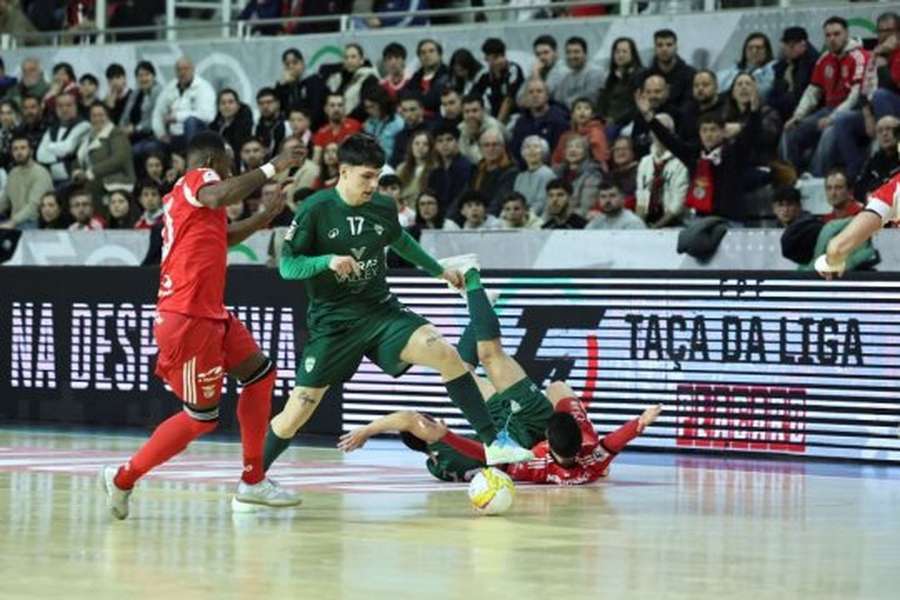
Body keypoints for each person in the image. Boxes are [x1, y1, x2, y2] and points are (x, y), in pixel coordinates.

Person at [264, 134, 533, 475]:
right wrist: (326, 261)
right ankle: (252, 480)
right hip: (333, 324)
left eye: (377, 176)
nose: (374, 184)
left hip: (380, 312)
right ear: (344, 172)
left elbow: (398, 240)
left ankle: (495, 442)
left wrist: (439, 271)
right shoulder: (315, 209)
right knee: (294, 416)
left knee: (446, 354)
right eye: (366, 176)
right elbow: (288, 266)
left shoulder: (383, 206)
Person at [100, 131, 305, 520]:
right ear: (213, 160)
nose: (228, 175)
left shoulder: (193, 202)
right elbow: (217, 193)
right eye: (228, 165)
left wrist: (263, 217)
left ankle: (253, 480)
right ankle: (123, 477)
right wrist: (274, 165)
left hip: (210, 313)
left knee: (260, 375)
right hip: (188, 317)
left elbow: (223, 237)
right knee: (201, 417)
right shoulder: (198, 179)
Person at [636, 89, 761, 224]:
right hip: (699, 219)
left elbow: (750, 136)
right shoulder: (693, 154)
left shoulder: (735, 153)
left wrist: (754, 112)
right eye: (704, 130)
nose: (709, 134)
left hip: (730, 219)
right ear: (699, 133)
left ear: (724, 132)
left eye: (713, 129)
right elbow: (669, 140)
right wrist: (649, 116)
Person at [780, 17, 870, 177]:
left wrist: (834, 117)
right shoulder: (824, 59)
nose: (832, 39)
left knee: (830, 131)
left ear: (847, 34)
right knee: (791, 131)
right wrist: (797, 116)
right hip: (828, 109)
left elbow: (855, 96)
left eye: (837, 34)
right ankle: (793, 178)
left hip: (854, 112)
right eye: (828, 35)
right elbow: (813, 91)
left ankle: (815, 177)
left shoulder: (859, 57)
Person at [72, 102, 135, 202]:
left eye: (101, 115)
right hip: (92, 180)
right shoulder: (88, 136)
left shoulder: (116, 134)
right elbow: (78, 157)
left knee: (89, 191)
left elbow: (119, 159)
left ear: (108, 116)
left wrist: (91, 172)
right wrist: (77, 171)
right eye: (94, 116)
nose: (97, 119)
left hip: (114, 181)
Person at [635, 113, 688, 228]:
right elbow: (641, 198)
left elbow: (678, 205)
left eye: (664, 129)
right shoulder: (645, 162)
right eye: (655, 129)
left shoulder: (681, 161)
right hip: (648, 221)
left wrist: (656, 228)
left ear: (672, 133)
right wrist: (640, 227)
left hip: (675, 223)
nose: (659, 134)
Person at [151, 57, 216, 150]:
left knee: (191, 122)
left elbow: (208, 115)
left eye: (185, 69)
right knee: (145, 148)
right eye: (179, 69)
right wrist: (161, 134)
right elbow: (158, 112)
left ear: (193, 70)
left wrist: (177, 117)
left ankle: (193, 159)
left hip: (197, 134)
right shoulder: (170, 87)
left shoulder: (203, 87)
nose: (182, 72)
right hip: (174, 135)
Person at [509, 78, 569, 170]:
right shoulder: (520, 122)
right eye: (531, 92)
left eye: (539, 91)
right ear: (525, 97)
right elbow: (516, 151)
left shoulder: (559, 120)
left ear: (547, 96)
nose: (535, 95)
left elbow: (561, 153)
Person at [35, 92, 90, 186]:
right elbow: (40, 155)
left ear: (76, 106)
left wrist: (48, 147)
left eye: (68, 105)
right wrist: (60, 155)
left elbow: (67, 148)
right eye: (60, 106)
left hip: (75, 180)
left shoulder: (84, 125)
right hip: (52, 180)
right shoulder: (52, 128)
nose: (64, 109)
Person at [0, 134, 53, 229]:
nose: (19, 152)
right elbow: (4, 201)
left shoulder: (40, 173)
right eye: (15, 149)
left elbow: (33, 206)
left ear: (31, 151)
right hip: (15, 221)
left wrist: (13, 222)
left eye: (23, 148)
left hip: (33, 221)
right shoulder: (13, 173)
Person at [769, 27, 819, 124]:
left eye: (791, 46)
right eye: (785, 45)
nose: (787, 49)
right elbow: (773, 94)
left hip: (804, 112)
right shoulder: (783, 65)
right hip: (783, 109)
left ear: (803, 44)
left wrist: (789, 86)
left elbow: (798, 96)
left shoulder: (812, 65)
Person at [463, 128, 518, 217]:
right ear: (480, 149)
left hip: (492, 220)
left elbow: (499, 202)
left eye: (495, 145)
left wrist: (481, 218)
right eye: (486, 145)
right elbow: (464, 197)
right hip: (473, 217)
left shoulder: (511, 171)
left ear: (503, 147)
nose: (491, 149)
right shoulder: (476, 170)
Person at [599, 37, 643, 141]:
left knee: (609, 132)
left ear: (632, 54)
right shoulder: (611, 77)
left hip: (627, 121)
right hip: (608, 120)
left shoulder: (639, 75)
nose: (620, 55)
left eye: (624, 51)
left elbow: (635, 106)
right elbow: (603, 101)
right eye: (617, 51)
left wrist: (615, 119)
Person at [471, 38, 525, 124]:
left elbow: (508, 100)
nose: (500, 60)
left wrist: (497, 125)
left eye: (502, 56)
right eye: (494, 58)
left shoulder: (513, 70)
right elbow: (472, 97)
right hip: (493, 117)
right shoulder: (484, 74)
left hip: (515, 116)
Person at [643, 29, 696, 113]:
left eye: (669, 45)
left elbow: (690, 105)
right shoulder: (644, 75)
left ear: (676, 47)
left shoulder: (690, 74)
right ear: (654, 48)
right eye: (660, 45)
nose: (664, 49)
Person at [324, 43, 380, 122]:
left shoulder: (370, 78)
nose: (349, 60)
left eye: (353, 57)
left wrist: (347, 121)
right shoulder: (340, 79)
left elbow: (365, 106)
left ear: (361, 60)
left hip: (359, 124)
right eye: (346, 58)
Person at [275, 48, 327, 130]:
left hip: (314, 128)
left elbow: (316, 110)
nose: (291, 67)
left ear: (302, 64)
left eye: (295, 62)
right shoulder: (283, 85)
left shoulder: (314, 81)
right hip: (291, 129)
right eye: (287, 64)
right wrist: (282, 87)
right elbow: (279, 109)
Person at [426, 123, 473, 213]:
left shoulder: (466, 167)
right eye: (440, 141)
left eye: (449, 139)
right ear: (435, 146)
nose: (445, 144)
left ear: (457, 142)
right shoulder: (435, 173)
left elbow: (462, 197)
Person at [119, 61, 163, 158]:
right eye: (140, 75)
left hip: (151, 136)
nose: (143, 78)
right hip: (132, 137)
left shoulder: (159, 93)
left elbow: (154, 120)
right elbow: (125, 115)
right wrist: (123, 128)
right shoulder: (135, 94)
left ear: (153, 76)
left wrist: (135, 128)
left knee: (132, 152)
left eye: (147, 75)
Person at [553, 135, 604, 218]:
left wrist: (561, 218)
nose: (573, 150)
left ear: (586, 152)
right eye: (569, 147)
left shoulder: (593, 175)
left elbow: (585, 209)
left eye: (578, 147)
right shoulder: (557, 172)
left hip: (577, 222)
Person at [552, 97, 609, 168]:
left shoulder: (596, 133)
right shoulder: (565, 136)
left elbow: (601, 160)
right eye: (578, 108)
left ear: (592, 115)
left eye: (586, 108)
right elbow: (556, 160)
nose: (582, 111)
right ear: (572, 114)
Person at [717, 32, 776, 99]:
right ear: (744, 51)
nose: (754, 51)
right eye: (750, 48)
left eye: (759, 48)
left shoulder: (774, 69)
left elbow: (764, 91)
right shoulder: (732, 71)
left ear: (767, 51)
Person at [517, 35, 568, 110]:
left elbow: (541, 99)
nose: (542, 57)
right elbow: (519, 100)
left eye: (546, 52)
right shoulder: (537, 69)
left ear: (556, 53)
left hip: (556, 113)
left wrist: (535, 75)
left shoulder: (562, 71)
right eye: (538, 54)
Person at [854, 116, 900, 201]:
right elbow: (859, 188)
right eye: (880, 131)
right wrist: (867, 195)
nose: (884, 134)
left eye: (888, 129)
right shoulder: (874, 160)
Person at [553, 36, 604, 110]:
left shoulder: (596, 73)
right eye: (568, 52)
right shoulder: (566, 78)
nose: (571, 56)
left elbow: (589, 100)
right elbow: (557, 101)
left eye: (576, 52)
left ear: (585, 54)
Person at [404, 39, 451, 117]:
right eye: (423, 52)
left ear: (439, 55)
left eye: (431, 51)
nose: (427, 55)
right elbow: (406, 97)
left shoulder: (448, 75)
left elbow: (434, 100)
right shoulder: (415, 78)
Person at [677, 70, 725, 146]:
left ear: (716, 87)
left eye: (705, 85)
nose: (700, 88)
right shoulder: (687, 111)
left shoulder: (726, 109)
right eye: (696, 85)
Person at [210, 89, 254, 171]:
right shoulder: (214, 127)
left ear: (238, 105)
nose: (227, 106)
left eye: (230, 102)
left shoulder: (245, 125)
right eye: (223, 103)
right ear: (218, 107)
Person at [312, 93, 362, 163]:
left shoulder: (355, 126)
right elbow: (316, 161)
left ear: (345, 108)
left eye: (340, 105)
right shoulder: (321, 133)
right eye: (332, 105)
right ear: (326, 109)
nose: (336, 109)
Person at [514, 135, 555, 216]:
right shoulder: (520, 177)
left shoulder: (547, 174)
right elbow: (513, 201)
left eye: (536, 147)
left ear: (543, 152)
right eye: (527, 147)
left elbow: (541, 203)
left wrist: (524, 217)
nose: (531, 150)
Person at [457, 94, 504, 164]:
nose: (470, 115)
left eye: (474, 111)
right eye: (467, 112)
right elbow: (462, 154)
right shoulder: (462, 127)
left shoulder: (493, 126)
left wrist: (473, 136)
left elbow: (487, 158)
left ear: (483, 111)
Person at [390, 92, 433, 167]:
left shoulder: (432, 131)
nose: (408, 115)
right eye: (404, 110)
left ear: (422, 110)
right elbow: (394, 163)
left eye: (412, 109)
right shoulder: (400, 137)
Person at [396, 130, 437, 207]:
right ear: (411, 146)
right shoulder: (401, 168)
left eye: (425, 144)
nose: (420, 147)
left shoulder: (435, 170)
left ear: (430, 149)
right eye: (417, 143)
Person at [254, 87, 289, 159]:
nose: (265, 106)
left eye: (269, 102)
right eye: (261, 103)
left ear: (278, 104)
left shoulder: (287, 125)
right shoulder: (255, 127)